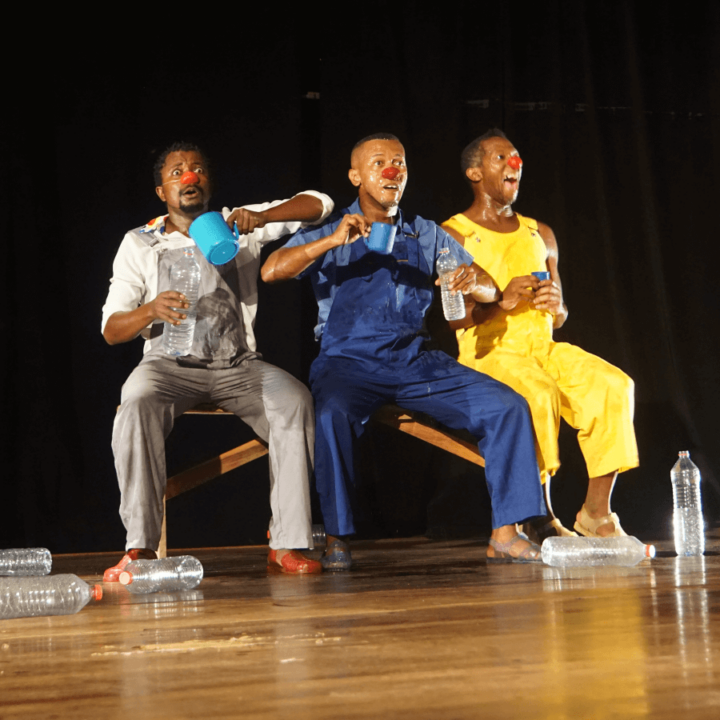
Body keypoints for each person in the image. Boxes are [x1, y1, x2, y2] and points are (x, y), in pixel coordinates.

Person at [261, 133, 546, 569]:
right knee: (330, 415)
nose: (392, 170)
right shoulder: (332, 226)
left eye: (399, 162)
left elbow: (490, 287)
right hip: (348, 363)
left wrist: (474, 280)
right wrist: (331, 241)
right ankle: (337, 535)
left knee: (507, 406)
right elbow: (271, 270)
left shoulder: (426, 233)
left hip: (416, 363)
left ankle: (505, 533)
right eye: (379, 163)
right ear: (356, 175)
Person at [101, 141, 335, 578]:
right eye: (177, 172)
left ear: (208, 182)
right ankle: (140, 549)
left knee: (294, 400)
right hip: (168, 367)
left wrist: (263, 218)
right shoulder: (141, 242)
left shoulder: (236, 223)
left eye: (197, 170)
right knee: (135, 400)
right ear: (161, 191)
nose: (189, 177)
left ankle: (286, 542)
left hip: (239, 366)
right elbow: (111, 329)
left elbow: (320, 204)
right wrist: (150, 310)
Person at [441, 128, 639, 542]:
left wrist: (558, 305)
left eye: (516, 158)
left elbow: (561, 314)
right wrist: (501, 303)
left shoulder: (540, 233)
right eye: (501, 159)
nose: (515, 165)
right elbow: (453, 319)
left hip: (543, 346)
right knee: (537, 393)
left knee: (613, 385)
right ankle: (541, 517)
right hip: (488, 351)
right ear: (474, 173)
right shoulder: (455, 234)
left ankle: (595, 513)